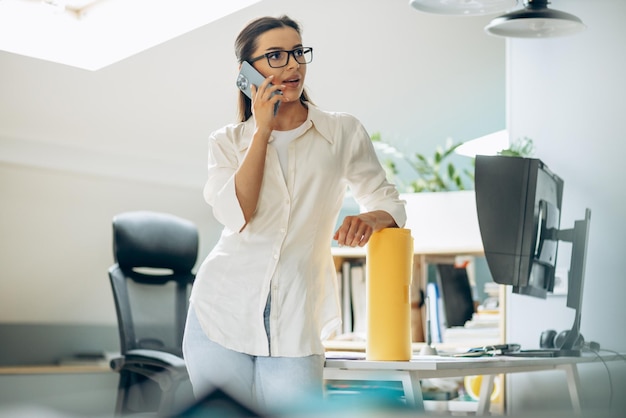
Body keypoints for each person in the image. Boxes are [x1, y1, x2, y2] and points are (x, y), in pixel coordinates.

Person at [182, 15, 407, 413]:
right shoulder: (228, 142)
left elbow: (389, 202)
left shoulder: (341, 132)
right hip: (219, 313)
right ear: (246, 72)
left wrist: (371, 219)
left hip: (297, 321)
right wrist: (262, 132)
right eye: (276, 56)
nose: (293, 66)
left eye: (298, 52)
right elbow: (237, 215)